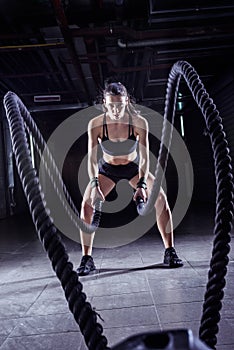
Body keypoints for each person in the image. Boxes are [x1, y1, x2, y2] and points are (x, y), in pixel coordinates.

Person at [77, 82, 183, 276]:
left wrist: (142, 184)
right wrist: (94, 184)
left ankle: (170, 251)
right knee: (86, 206)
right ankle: (86, 259)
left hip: (134, 168)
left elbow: (144, 157)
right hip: (107, 169)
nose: (115, 110)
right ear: (104, 103)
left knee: (160, 199)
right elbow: (91, 159)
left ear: (126, 102)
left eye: (119, 105)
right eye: (111, 105)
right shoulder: (96, 124)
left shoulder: (138, 122)